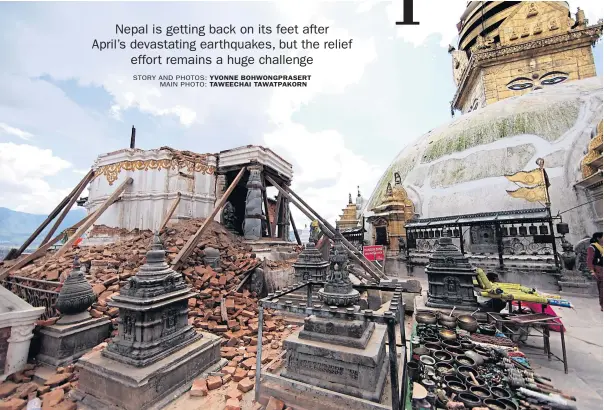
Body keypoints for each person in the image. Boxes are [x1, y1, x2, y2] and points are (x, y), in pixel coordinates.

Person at [587, 232, 603, 311]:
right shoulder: (592, 247)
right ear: (598, 238)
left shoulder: (602, 247)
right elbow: (589, 260)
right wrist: (592, 271)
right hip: (599, 269)